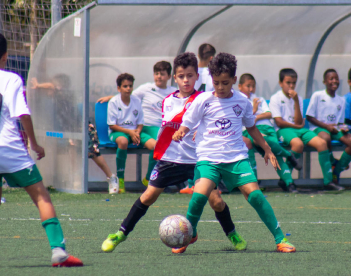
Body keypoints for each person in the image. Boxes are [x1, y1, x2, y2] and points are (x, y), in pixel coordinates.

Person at [101, 52, 247, 254]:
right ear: (175, 78)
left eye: (190, 75)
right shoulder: (168, 101)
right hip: (171, 159)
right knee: (148, 196)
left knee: (216, 201)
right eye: (181, 76)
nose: (186, 80)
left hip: (198, 161)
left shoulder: (205, 99)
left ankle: (232, 234)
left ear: (197, 76)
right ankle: (120, 233)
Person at [172, 53, 296, 253]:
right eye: (216, 82)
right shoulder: (203, 100)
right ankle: (189, 235)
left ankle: (280, 239)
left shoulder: (243, 101)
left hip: (236, 158)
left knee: (255, 196)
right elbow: (189, 122)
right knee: (199, 196)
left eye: (225, 83)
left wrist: (266, 148)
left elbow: (252, 127)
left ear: (234, 81)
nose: (220, 87)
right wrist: (181, 132)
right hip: (208, 159)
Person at [0, 32, 83, 267]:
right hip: (10, 150)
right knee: (42, 197)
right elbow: (21, 113)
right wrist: (34, 143)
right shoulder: (11, 79)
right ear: (5, 57)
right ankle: (59, 252)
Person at [31, 78, 119, 194]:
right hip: (70, 130)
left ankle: (111, 177)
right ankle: (75, 180)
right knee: (72, 149)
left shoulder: (63, 94)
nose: (48, 91)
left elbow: (51, 86)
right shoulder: (53, 100)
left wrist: (38, 85)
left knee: (93, 152)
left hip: (83, 128)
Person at [98, 61, 176, 187]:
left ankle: (154, 178)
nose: (159, 77)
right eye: (156, 74)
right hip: (146, 126)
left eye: (162, 74)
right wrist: (110, 97)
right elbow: (126, 95)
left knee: (166, 144)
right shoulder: (146, 88)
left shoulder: (173, 91)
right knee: (160, 144)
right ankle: (123, 180)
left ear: (169, 76)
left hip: (157, 128)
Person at [269, 68, 343, 191]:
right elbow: (279, 122)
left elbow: (298, 122)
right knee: (297, 144)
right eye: (288, 83)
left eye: (294, 83)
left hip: (298, 129)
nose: (291, 86)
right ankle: (288, 180)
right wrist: (297, 126)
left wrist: (296, 101)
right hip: (283, 130)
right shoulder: (275, 98)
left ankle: (328, 182)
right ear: (280, 83)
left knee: (322, 143)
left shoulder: (299, 98)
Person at [238, 73, 302, 193]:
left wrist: (257, 117)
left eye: (253, 86)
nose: (251, 89)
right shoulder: (238, 100)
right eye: (248, 86)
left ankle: (289, 183)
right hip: (251, 131)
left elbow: (269, 113)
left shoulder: (259, 98)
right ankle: (288, 155)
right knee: (260, 140)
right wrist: (254, 111)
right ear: (240, 86)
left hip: (268, 128)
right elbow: (241, 119)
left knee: (274, 154)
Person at [306, 69, 351, 185]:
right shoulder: (318, 95)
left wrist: (344, 128)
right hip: (319, 127)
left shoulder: (341, 100)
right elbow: (310, 117)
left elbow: (340, 122)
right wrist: (326, 126)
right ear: (325, 81)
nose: (334, 81)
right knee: (325, 138)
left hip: (335, 129)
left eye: (336, 79)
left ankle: (337, 169)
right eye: (331, 79)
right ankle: (330, 172)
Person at [107, 73, 156, 193]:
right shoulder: (113, 102)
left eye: (130, 86)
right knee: (123, 141)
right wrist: (130, 132)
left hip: (135, 132)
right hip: (117, 132)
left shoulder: (136, 100)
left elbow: (140, 122)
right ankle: (121, 179)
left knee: (156, 146)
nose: (128, 89)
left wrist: (137, 133)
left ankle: (148, 178)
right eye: (125, 86)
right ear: (119, 88)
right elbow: (112, 125)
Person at [180, 43, 217, 194]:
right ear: (212, 57)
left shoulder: (191, 71)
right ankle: (206, 183)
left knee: (191, 147)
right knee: (204, 149)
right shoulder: (212, 74)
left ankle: (192, 183)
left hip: (188, 112)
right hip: (204, 115)